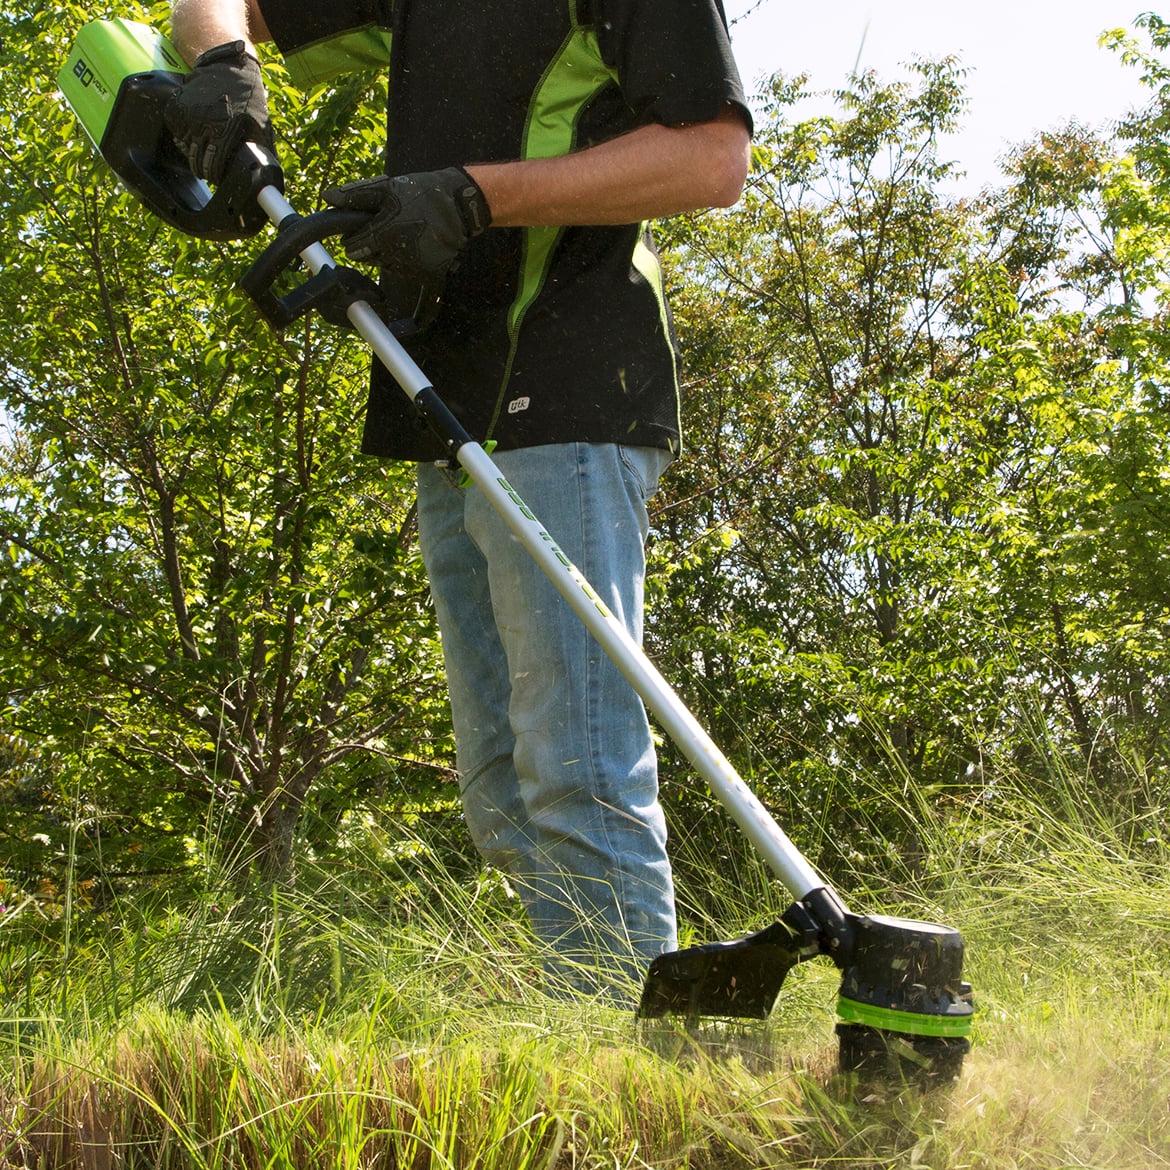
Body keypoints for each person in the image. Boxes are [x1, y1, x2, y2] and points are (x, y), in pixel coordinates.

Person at [167, 0, 752, 1000]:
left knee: (578, 767)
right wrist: (223, 61)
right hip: (442, 392)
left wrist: (474, 197)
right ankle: (588, 1025)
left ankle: (628, 1066)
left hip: (571, 371)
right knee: (503, 789)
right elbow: (210, 2)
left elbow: (710, 159)